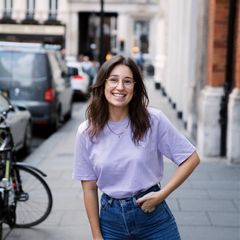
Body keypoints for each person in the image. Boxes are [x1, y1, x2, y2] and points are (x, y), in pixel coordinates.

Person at [73, 55, 200, 240]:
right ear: (103, 84)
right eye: (113, 80)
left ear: (135, 87)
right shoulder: (86, 132)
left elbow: (191, 158)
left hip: (153, 219)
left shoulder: (153, 120)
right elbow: (89, 189)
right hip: (111, 222)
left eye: (127, 81)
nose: (120, 87)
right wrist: (96, 235)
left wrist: (162, 194)